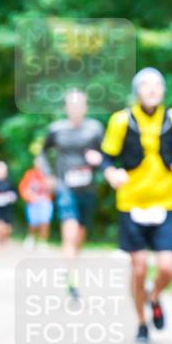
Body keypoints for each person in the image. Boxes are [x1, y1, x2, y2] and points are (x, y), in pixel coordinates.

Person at [101, 67, 172, 344]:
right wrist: (111, 173)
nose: (152, 89)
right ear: (136, 91)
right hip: (131, 203)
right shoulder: (121, 120)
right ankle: (141, 323)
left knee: (167, 267)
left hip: (166, 202)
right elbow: (107, 157)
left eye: (157, 85)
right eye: (146, 85)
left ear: (163, 90)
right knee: (139, 267)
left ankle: (154, 295)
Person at [38, 88, 105, 299]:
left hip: (87, 189)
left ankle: (72, 265)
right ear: (66, 108)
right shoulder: (56, 130)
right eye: (71, 105)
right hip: (65, 188)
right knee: (70, 233)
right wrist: (48, 175)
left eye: (79, 105)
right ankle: (72, 280)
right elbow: (41, 154)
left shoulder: (95, 129)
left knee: (79, 236)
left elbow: (109, 155)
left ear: (85, 107)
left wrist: (99, 158)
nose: (75, 109)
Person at [18, 156, 54, 249]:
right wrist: (29, 197)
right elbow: (23, 188)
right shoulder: (29, 174)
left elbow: (53, 189)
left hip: (45, 202)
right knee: (32, 222)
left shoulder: (48, 176)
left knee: (45, 221)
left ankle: (43, 241)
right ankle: (31, 238)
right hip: (32, 202)